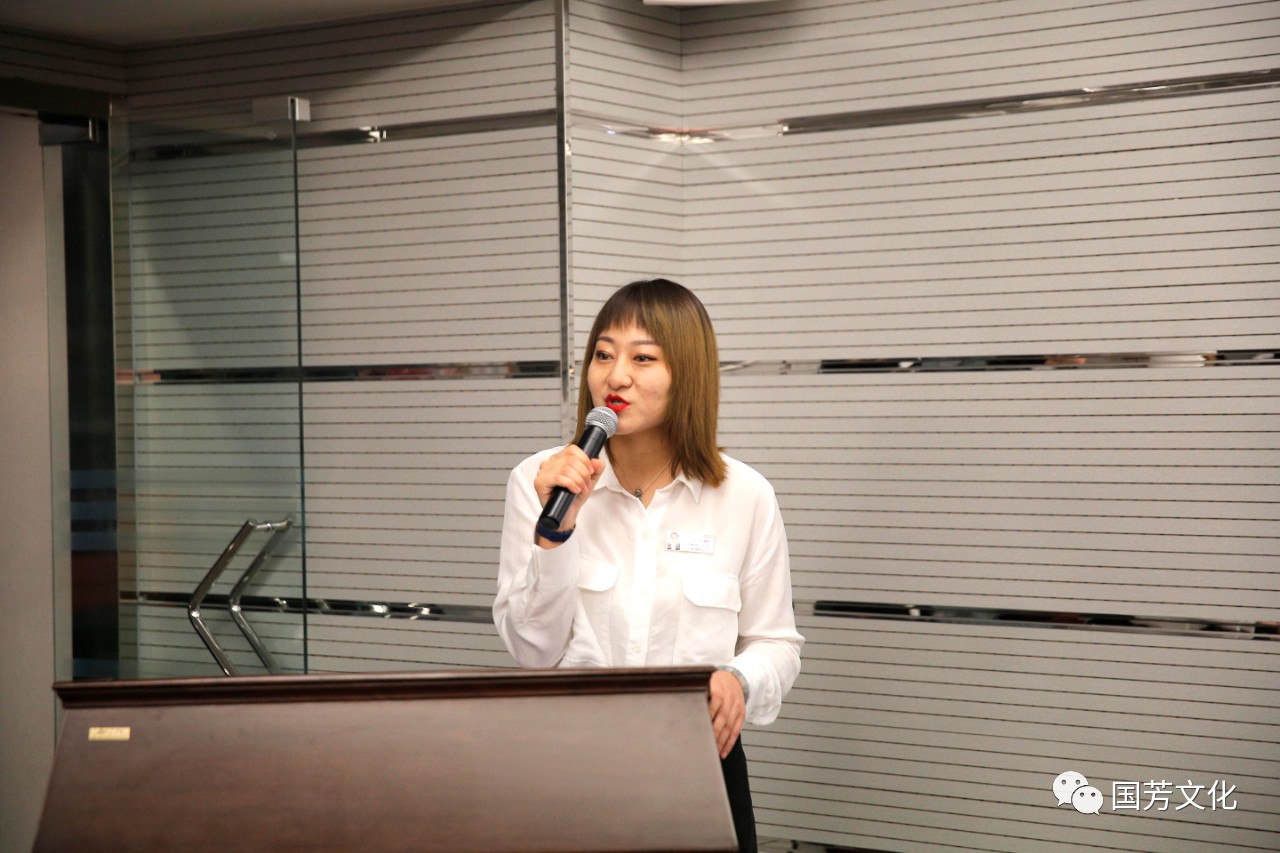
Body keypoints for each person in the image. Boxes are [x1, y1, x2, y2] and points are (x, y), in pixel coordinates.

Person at [493, 278, 803, 853]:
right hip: (570, 766)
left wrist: (737, 679)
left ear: (688, 373)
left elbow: (777, 643)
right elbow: (533, 650)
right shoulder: (539, 482)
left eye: (643, 358)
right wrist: (557, 531)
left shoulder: (745, 495)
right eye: (603, 355)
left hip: (697, 766)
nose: (616, 377)